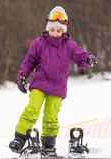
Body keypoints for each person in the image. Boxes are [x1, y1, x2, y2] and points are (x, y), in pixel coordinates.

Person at [9, 6, 97, 157]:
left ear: (63, 31)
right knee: (32, 109)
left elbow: (79, 55)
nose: (55, 33)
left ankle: (48, 145)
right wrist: (22, 75)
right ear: (48, 28)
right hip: (39, 84)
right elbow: (29, 61)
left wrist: (87, 59)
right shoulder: (39, 43)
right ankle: (20, 138)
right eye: (53, 29)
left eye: (59, 30)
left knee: (51, 117)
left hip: (57, 87)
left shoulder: (69, 45)